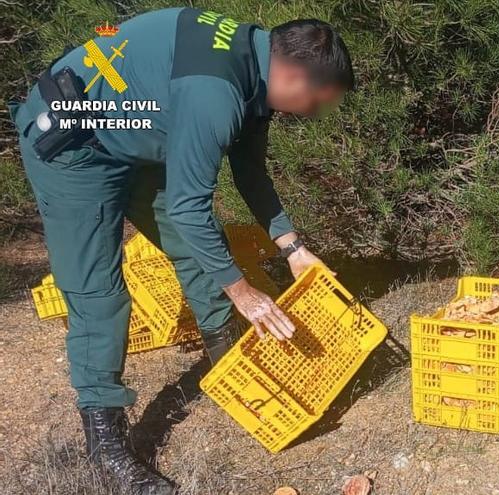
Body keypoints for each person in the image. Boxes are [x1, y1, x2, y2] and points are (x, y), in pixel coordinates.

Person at [8, 8, 353, 494]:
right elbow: (189, 209)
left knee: (198, 252)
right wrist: (243, 293)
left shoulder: (256, 66)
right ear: (293, 75)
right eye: (316, 101)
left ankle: (231, 365)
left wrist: (293, 247)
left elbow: (250, 172)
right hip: (73, 146)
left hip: (134, 135)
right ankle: (105, 446)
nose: (312, 112)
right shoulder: (216, 93)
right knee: (99, 293)